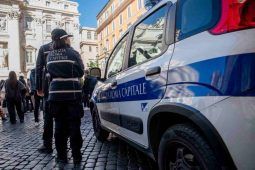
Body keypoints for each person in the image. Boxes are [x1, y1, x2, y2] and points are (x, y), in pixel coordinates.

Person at [47, 29, 84, 164]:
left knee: (59, 126)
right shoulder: (73, 53)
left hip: (55, 96)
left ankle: (62, 156)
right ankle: (76, 156)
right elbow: (80, 71)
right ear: (64, 39)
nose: (69, 39)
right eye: (68, 37)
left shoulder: (49, 55)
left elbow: (49, 73)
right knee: (74, 125)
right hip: (72, 94)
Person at [36, 30, 55, 153]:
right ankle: (62, 144)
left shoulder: (44, 48)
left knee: (48, 117)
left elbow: (38, 69)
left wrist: (39, 87)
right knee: (62, 117)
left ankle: (47, 144)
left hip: (48, 88)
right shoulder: (68, 49)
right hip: (63, 88)